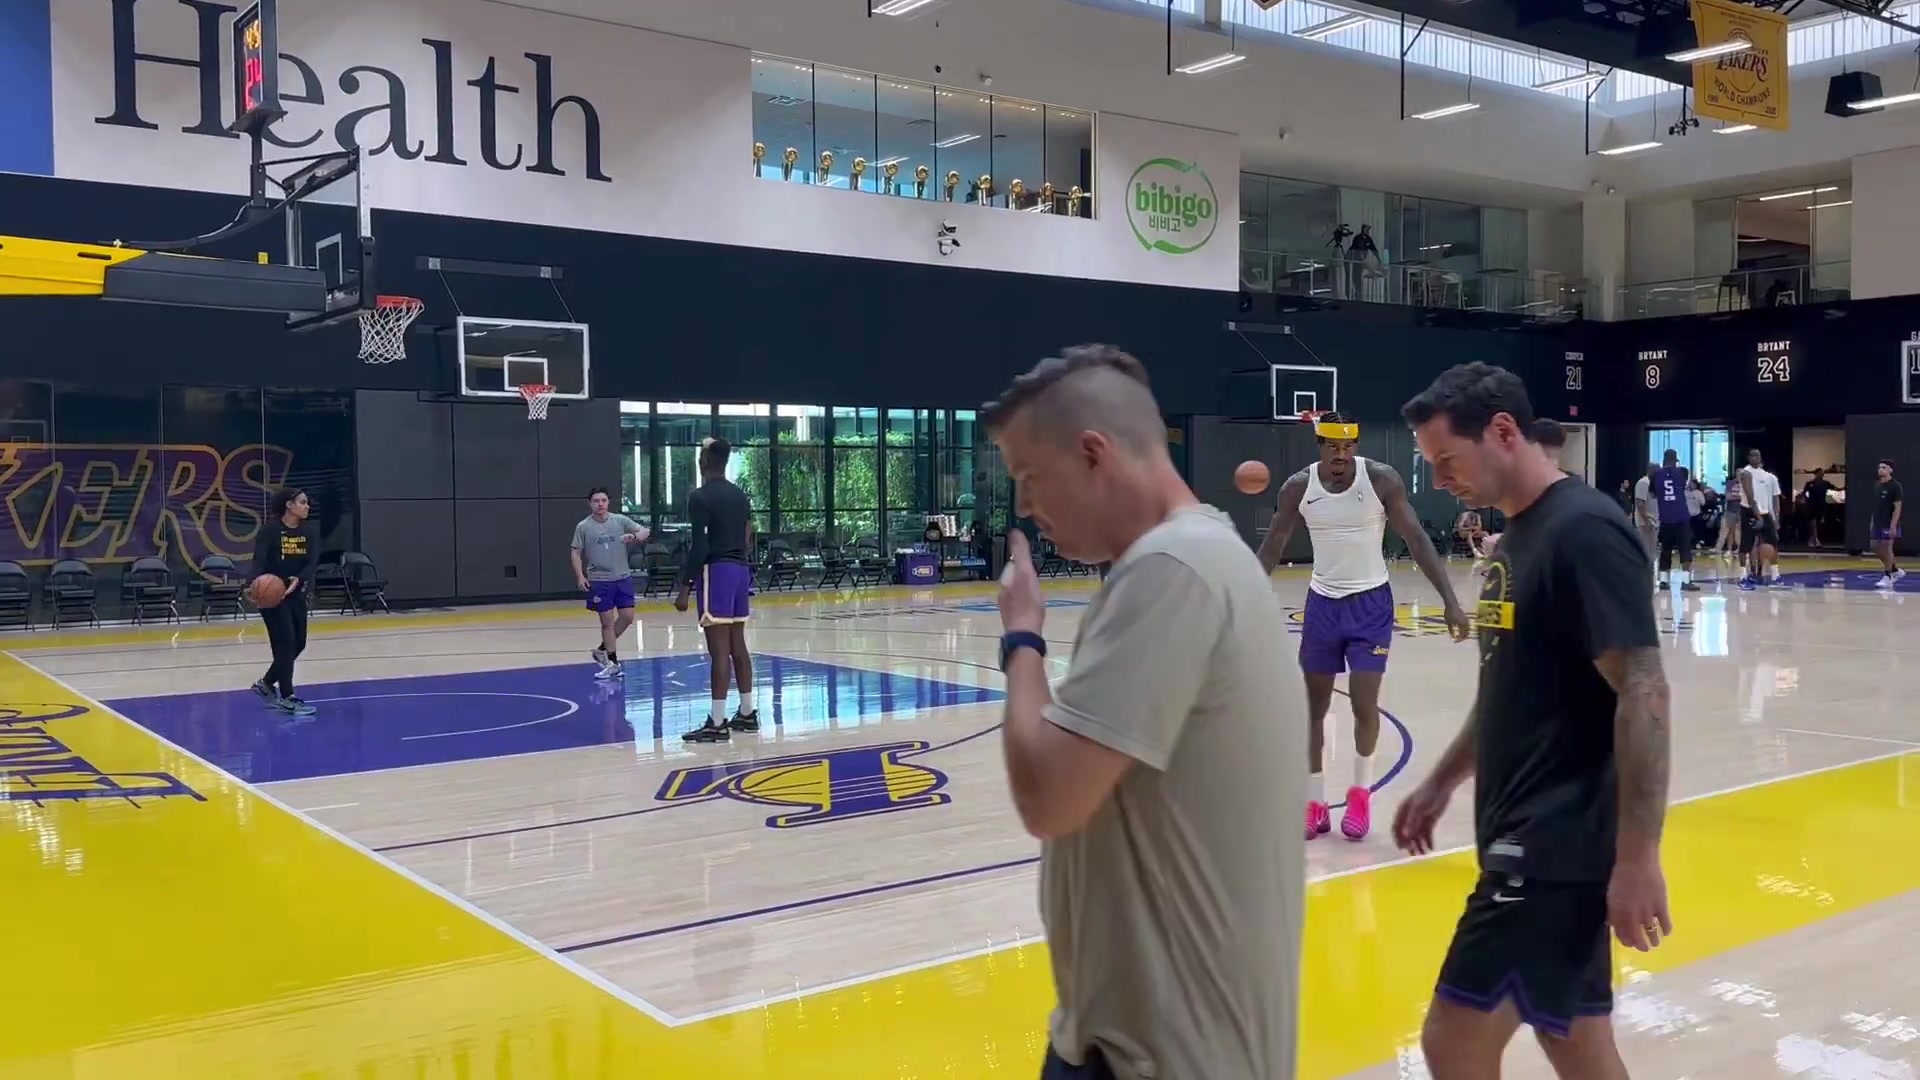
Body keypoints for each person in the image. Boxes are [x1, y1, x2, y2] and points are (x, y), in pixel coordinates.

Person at [985, 345, 1301, 1080]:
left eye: (1030, 480)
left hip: (1162, 1058)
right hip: (1142, 1041)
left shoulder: (1171, 568)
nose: (1025, 507)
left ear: (1093, 453)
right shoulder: (1205, 554)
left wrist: (1022, 637)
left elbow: (1048, 797)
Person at [1394, 362, 1672, 1078]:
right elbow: (1508, 687)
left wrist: (1639, 856)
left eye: (1446, 460)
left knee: (1453, 1038)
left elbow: (1644, 690)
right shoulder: (1519, 535)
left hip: (1550, 848)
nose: (1438, 480)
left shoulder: (1585, 531)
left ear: (1503, 431)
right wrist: (1442, 781)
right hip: (1531, 838)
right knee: (1575, 1041)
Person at [1257, 411, 1472, 841]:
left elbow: (1416, 539)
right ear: (1320, 446)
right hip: (1323, 605)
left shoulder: (1380, 480)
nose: (1341, 454)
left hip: (1371, 604)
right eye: (1333, 447)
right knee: (1314, 707)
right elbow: (1273, 545)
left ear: (1355, 446)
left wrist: (1451, 601)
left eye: (1348, 446)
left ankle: (1360, 795)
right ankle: (1315, 802)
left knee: (1363, 703)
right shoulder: (1299, 487)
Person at [675, 438, 758, 743]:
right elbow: (748, 534)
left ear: (705, 461)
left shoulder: (700, 497)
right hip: (741, 570)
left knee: (719, 650)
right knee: (738, 645)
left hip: (718, 571)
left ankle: (718, 722)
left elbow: (700, 546)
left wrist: (685, 586)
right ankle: (747, 713)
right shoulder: (740, 495)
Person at [251, 486, 318, 717]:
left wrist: (299, 579)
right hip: (273, 597)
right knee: (285, 644)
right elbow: (258, 562)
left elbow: (311, 563)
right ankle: (287, 697)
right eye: (302, 502)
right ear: (288, 505)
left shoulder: (309, 532)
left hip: (296, 594)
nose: (307, 506)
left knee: (299, 643)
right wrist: (254, 586)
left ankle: (267, 683)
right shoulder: (269, 531)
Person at [570, 487, 649, 679]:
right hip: (600, 580)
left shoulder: (620, 520)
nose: (600, 504)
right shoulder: (583, 527)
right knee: (606, 622)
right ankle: (612, 662)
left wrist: (635, 536)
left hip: (622, 577)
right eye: (596, 501)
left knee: (627, 617)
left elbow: (644, 531)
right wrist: (580, 576)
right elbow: (575, 552)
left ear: (608, 502)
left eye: (603, 500)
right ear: (590, 503)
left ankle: (602, 650)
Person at [1651, 450, 1700, 592]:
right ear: (1676, 460)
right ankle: (1686, 581)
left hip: (1665, 517)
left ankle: (1663, 581)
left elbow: (1653, 493)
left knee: (1665, 550)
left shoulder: (1656, 475)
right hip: (1680, 517)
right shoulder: (1682, 472)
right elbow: (1685, 483)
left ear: (1664, 459)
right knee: (1685, 550)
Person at [1739, 449, 1784, 589]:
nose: (1755, 457)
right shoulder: (1745, 473)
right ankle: (1743, 577)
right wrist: (1757, 516)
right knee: (1746, 545)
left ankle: (1775, 575)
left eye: (1757, 455)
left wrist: (1776, 518)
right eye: (1752, 455)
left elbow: (1775, 499)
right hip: (1749, 512)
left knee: (1772, 545)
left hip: (1765, 513)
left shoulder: (1769, 477)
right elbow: (1750, 497)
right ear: (1748, 457)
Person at [1873, 459, 1905, 589]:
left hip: (1889, 523)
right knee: (1876, 547)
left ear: (1890, 470)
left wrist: (1893, 525)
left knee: (1887, 548)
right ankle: (1895, 570)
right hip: (1878, 522)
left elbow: (1897, 507)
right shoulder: (1878, 485)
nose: (1881, 470)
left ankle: (1888, 576)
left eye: (1884, 467)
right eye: (1879, 467)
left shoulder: (1895, 486)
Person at [1632, 463, 1657, 564]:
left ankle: (1650, 569)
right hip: (1645, 522)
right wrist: (1646, 520)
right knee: (1646, 550)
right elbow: (1639, 503)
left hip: (1653, 521)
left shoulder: (1653, 483)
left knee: (1652, 550)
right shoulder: (1643, 483)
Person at [1802, 469, 1834, 548]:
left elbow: (1835, 488)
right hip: (1812, 505)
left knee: (1818, 523)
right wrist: (1807, 500)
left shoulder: (1825, 483)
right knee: (1813, 521)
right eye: (1820, 473)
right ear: (1816, 474)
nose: (1821, 475)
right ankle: (1816, 540)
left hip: (1822, 505)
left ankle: (1812, 539)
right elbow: (1804, 493)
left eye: (1822, 474)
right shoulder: (1810, 483)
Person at [1716, 471, 1743, 559]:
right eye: (1738, 474)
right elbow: (1728, 497)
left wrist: (1737, 497)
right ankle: (1728, 550)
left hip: (1741, 511)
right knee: (1729, 530)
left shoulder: (1745, 483)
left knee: (1739, 531)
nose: (1739, 475)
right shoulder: (1730, 483)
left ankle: (1740, 549)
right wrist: (1740, 497)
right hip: (1730, 511)